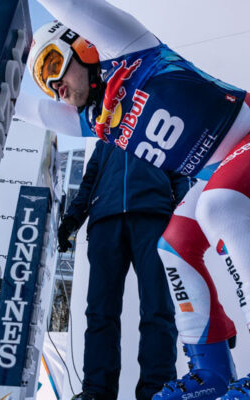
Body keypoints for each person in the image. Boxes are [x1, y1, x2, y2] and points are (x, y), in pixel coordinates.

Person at [15, 1, 250, 399]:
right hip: (223, 170)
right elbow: (28, 108)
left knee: (218, 208)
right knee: (175, 244)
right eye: (44, 81)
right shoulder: (95, 121)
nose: (53, 85)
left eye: (51, 65)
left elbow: (72, 6)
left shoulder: (129, 48)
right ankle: (211, 372)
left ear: (84, 46)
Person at [55, 139, 191, 400]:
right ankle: (97, 390)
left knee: (158, 307)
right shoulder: (105, 138)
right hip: (105, 220)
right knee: (100, 310)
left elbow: (179, 171)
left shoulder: (155, 127)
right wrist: (72, 218)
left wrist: (184, 215)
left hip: (154, 216)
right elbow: (89, 180)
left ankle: (158, 388)